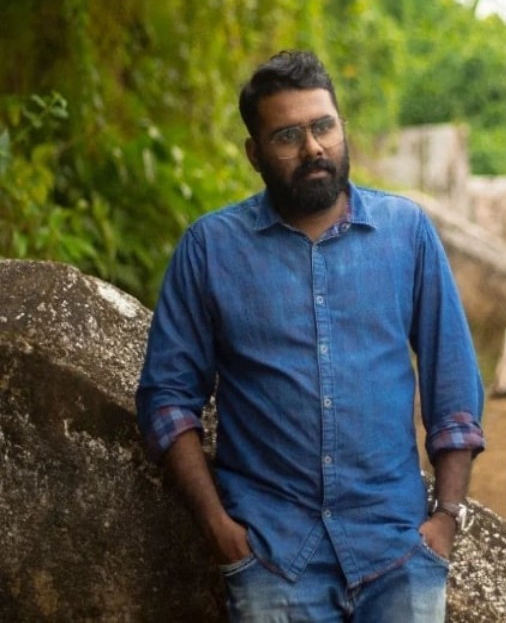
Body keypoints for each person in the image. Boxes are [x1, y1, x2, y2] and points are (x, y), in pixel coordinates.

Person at [136, 49, 485, 622]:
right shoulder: (210, 250)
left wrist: (445, 520)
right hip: (272, 561)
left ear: (342, 127)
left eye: (323, 126)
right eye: (287, 136)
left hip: (398, 555)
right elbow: (167, 399)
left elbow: (454, 388)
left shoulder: (406, 234)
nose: (313, 147)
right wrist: (217, 528)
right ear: (254, 153)